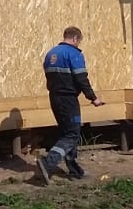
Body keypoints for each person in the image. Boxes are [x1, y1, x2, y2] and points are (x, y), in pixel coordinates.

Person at [38, 26, 104, 181]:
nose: (78, 44)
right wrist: (93, 98)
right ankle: (48, 163)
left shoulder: (51, 54)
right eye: (79, 41)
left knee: (65, 133)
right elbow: (81, 79)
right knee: (72, 135)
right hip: (68, 100)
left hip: (54, 97)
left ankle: (75, 171)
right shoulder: (74, 54)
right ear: (75, 39)